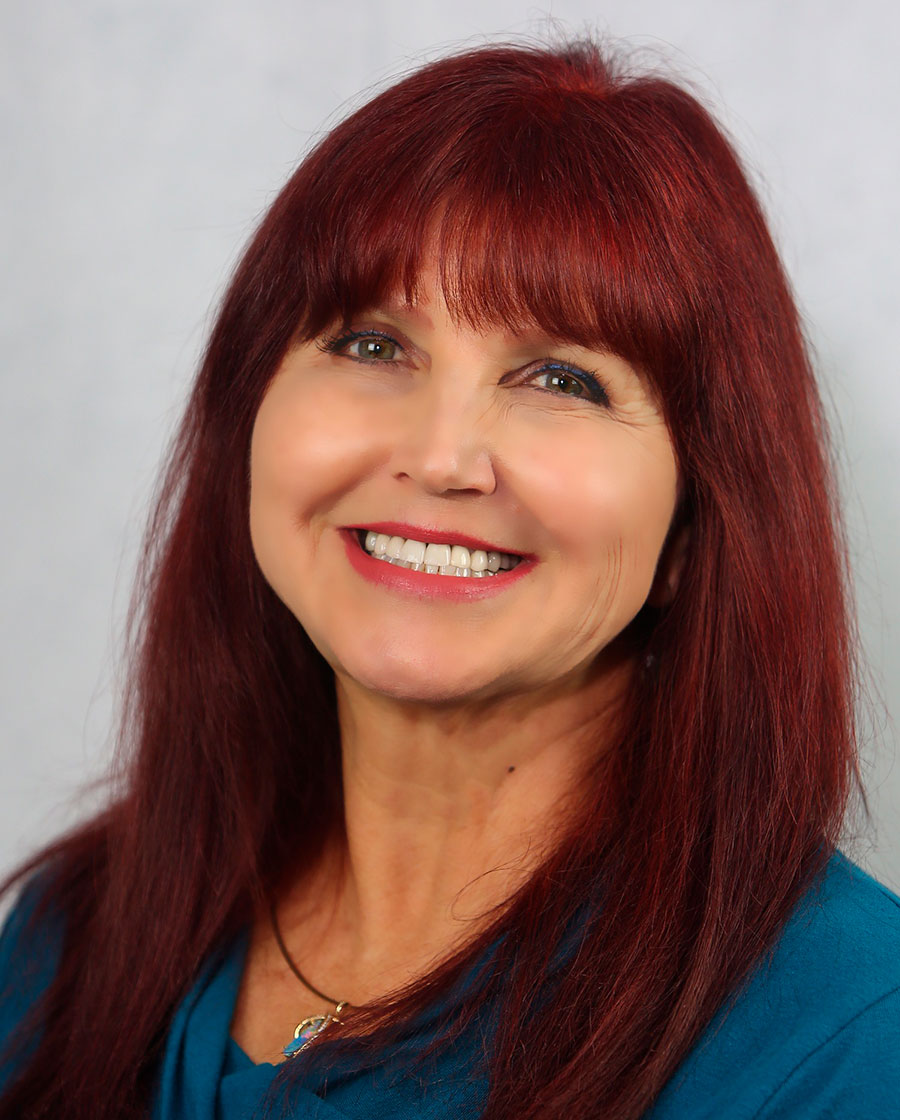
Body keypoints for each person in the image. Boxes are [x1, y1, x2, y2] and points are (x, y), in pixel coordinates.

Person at [1, 37, 898, 1120]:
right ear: (251, 413)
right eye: (374, 345)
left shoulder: (847, 1040)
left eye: (559, 376)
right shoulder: (73, 935)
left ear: (698, 518)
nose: (440, 457)